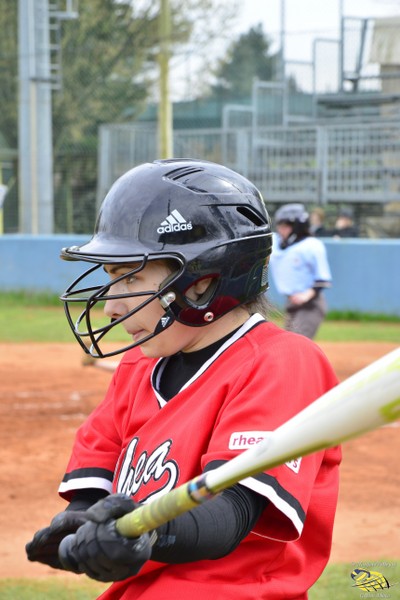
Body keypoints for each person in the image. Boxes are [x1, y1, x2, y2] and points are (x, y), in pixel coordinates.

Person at [26, 159, 341, 600]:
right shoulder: (138, 367)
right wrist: (83, 523)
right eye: (111, 279)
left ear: (201, 284)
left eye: (131, 277)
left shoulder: (281, 362)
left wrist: (151, 533)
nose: (111, 306)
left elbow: (232, 512)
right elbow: (98, 469)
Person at [269, 203, 332, 340]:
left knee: (296, 343)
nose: (281, 230)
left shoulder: (311, 245)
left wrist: (305, 296)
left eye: (285, 226)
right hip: (290, 303)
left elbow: (322, 280)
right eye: (280, 226)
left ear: (297, 227)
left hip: (310, 305)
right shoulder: (276, 242)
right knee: (288, 343)